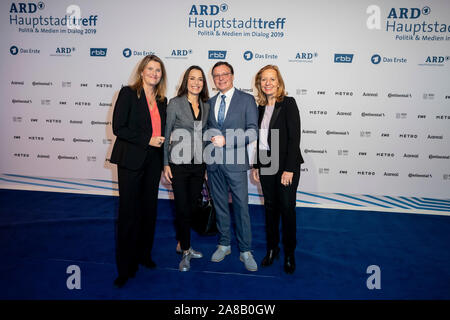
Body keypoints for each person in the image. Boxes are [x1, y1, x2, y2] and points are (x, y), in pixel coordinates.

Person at [110, 55, 167, 288]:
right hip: (131, 161)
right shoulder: (128, 93)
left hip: (153, 162)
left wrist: (165, 161)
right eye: (150, 69)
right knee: (129, 214)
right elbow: (118, 128)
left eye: (158, 70)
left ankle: (144, 255)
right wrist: (148, 140)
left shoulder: (163, 100)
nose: (154, 73)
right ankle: (125, 266)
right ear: (142, 71)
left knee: (149, 211)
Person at [206, 61, 259, 272]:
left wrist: (228, 140)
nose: (221, 78)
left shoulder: (246, 100)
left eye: (224, 74)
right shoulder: (209, 102)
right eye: (216, 75)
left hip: (236, 163)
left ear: (232, 75)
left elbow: (253, 131)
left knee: (241, 208)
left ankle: (245, 250)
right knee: (219, 206)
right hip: (213, 165)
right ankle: (224, 244)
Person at [251, 65, 303, 274]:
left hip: (285, 166)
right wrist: (256, 164)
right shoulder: (260, 107)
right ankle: (273, 249)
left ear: (279, 82)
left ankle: (290, 253)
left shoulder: (288, 103)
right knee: (270, 209)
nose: (268, 83)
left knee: (287, 210)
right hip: (266, 164)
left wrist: (289, 169)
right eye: (264, 80)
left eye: (272, 79)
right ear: (259, 84)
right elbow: (260, 140)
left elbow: (294, 138)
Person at [163, 65, 210, 272]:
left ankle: (183, 241)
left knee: (191, 206)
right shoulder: (175, 103)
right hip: (179, 164)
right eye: (192, 78)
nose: (196, 83)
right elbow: (165, 136)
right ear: (186, 81)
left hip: (199, 165)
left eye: (200, 79)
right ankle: (186, 250)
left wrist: (207, 164)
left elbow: (205, 136)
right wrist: (165, 163)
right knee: (182, 207)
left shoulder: (205, 105)